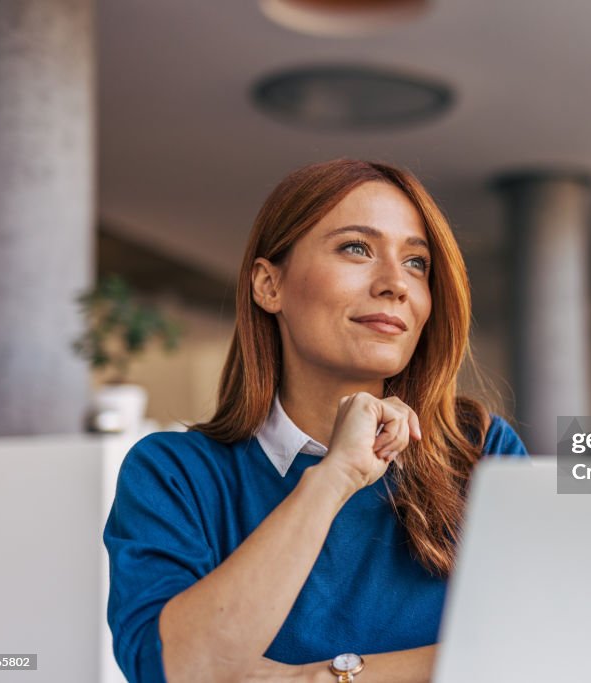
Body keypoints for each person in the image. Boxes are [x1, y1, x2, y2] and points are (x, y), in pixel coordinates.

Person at [103, 159, 528, 683]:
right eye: (357, 248)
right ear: (268, 285)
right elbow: (178, 671)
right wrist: (332, 479)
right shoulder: (175, 473)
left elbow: (534, 648)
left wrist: (317, 679)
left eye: (417, 263)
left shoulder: (478, 451)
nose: (396, 283)